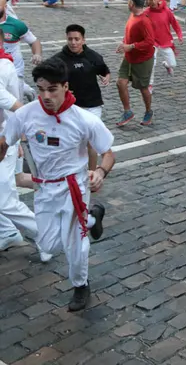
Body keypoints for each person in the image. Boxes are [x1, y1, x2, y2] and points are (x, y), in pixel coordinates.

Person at [0, 57, 114, 311]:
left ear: (65, 87)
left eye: (52, 89)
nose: (46, 96)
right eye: (41, 90)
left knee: (75, 244)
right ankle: (94, 217)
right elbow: (4, 142)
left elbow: (108, 152)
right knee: (48, 245)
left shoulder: (85, 120)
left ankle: (80, 285)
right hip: (44, 188)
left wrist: (100, 172)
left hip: (74, 188)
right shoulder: (24, 115)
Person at [0, 32, 52, 262]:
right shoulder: (7, 64)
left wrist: (21, 127)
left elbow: (11, 101)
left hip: (3, 139)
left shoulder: (3, 65)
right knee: (7, 192)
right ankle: (7, 232)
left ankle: (45, 235)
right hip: (9, 135)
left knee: (4, 200)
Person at [52, 24, 110, 171]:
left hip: (92, 105)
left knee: (91, 142)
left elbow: (104, 70)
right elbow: (49, 80)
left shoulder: (93, 56)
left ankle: (90, 173)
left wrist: (106, 78)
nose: (73, 42)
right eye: (70, 39)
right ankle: (68, 169)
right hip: (70, 107)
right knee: (71, 141)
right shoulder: (58, 60)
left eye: (77, 39)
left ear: (83, 40)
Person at [116, 0, 156, 127]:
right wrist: (123, 44)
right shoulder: (132, 14)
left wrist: (131, 46)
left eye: (128, 0)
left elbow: (150, 42)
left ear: (132, 3)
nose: (127, 3)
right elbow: (129, 33)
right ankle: (128, 112)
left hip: (143, 59)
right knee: (121, 83)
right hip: (129, 57)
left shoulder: (144, 21)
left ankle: (148, 111)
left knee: (143, 88)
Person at [0, 0, 43, 100]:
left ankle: (25, 89)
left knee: (14, 104)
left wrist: (37, 54)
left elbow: (34, 41)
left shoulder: (16, 25)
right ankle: (25, 88)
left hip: (15, 71)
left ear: (5, 7)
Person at [146, 0, 182, 91]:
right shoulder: (146, 13)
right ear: (147, 1)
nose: (153, 2)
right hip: (152, 42)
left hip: (165, 41)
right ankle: (150, 84)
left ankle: (166, 65)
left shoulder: (166, 11)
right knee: (152, 63)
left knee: (173, 64)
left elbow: (175, 24)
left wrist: (179, 35)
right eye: (150, 0)